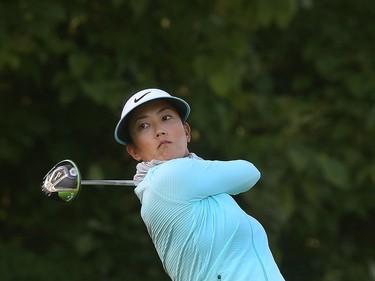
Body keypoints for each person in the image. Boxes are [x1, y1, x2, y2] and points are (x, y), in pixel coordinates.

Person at [114, 88, 285, 281]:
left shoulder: (183, 184)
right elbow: (248, 172)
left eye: (166, 117)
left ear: (187, 132)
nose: (159, 130)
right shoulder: (170, 176)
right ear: (134, 151)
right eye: (143, 125)